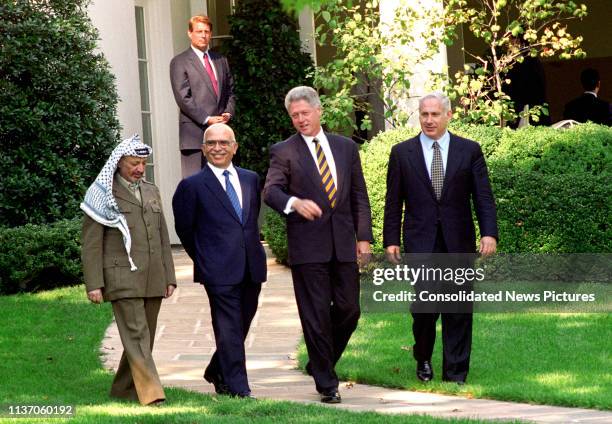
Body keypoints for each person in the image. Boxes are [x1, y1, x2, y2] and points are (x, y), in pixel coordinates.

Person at [263, 86, 373, 403]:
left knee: (350, 310)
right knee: (316, 316)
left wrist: (363, 238)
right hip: (307, 246)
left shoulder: (345, 148)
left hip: (343, 244)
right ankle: (327, 383)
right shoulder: (283, 151)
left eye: (304, 113)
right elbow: (270, 192)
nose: (300, 120)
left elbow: (358, 197)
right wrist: (294, 202)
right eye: (294, 115)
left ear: (318, 111)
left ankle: (318, 361)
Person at [383, 92, 498, 385]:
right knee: (425, 308)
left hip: (457, 240)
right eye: (424, 114)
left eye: (435, 114)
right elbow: (393, 202)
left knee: (458, 308)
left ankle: (455, 373)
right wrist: (390, 239)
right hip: (421, 242)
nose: (429, 120)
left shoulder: (469, 150)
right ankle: (422, 356)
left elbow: (482, 197)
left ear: (448, 115)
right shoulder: (401, 153)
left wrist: (489, 233)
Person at [172, 123, 266, 399]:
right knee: (228, 327)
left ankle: (217, 369)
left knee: (241, 324)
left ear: (234, 147)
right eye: (211, 143)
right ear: (203, 149)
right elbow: (185, 229)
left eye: (224, 143)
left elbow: (249, 221)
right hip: (217, 270)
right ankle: (239, 389)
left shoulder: (250, 179)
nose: (217, 148)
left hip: (251, 266)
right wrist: (205, 258)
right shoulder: (192, 186)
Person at [80, 135, 176, 405]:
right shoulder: (102, 194)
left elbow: (161, 234)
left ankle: (123, 389)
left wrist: (169, 276)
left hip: (154, 276)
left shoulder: (151, 190)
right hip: (121, 276)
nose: (139, 169)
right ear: (119, 162)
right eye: (134, 163)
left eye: (143, 163)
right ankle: (152, 394)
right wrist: (94, 283)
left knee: (144, 335)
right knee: (136, 334)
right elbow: (91, 244)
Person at [170, 15, 236, 178]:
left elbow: (231, 91)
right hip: (194, 136)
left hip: (221, 135)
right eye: (199, 31)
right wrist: (207, 119)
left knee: (221, 185)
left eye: (206, 31)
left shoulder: (221, 60)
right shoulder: (180, 62)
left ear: (211, 34)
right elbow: (183, 98)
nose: (203, 35)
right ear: (189, 33)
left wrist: (228, 113)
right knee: (195, 188)